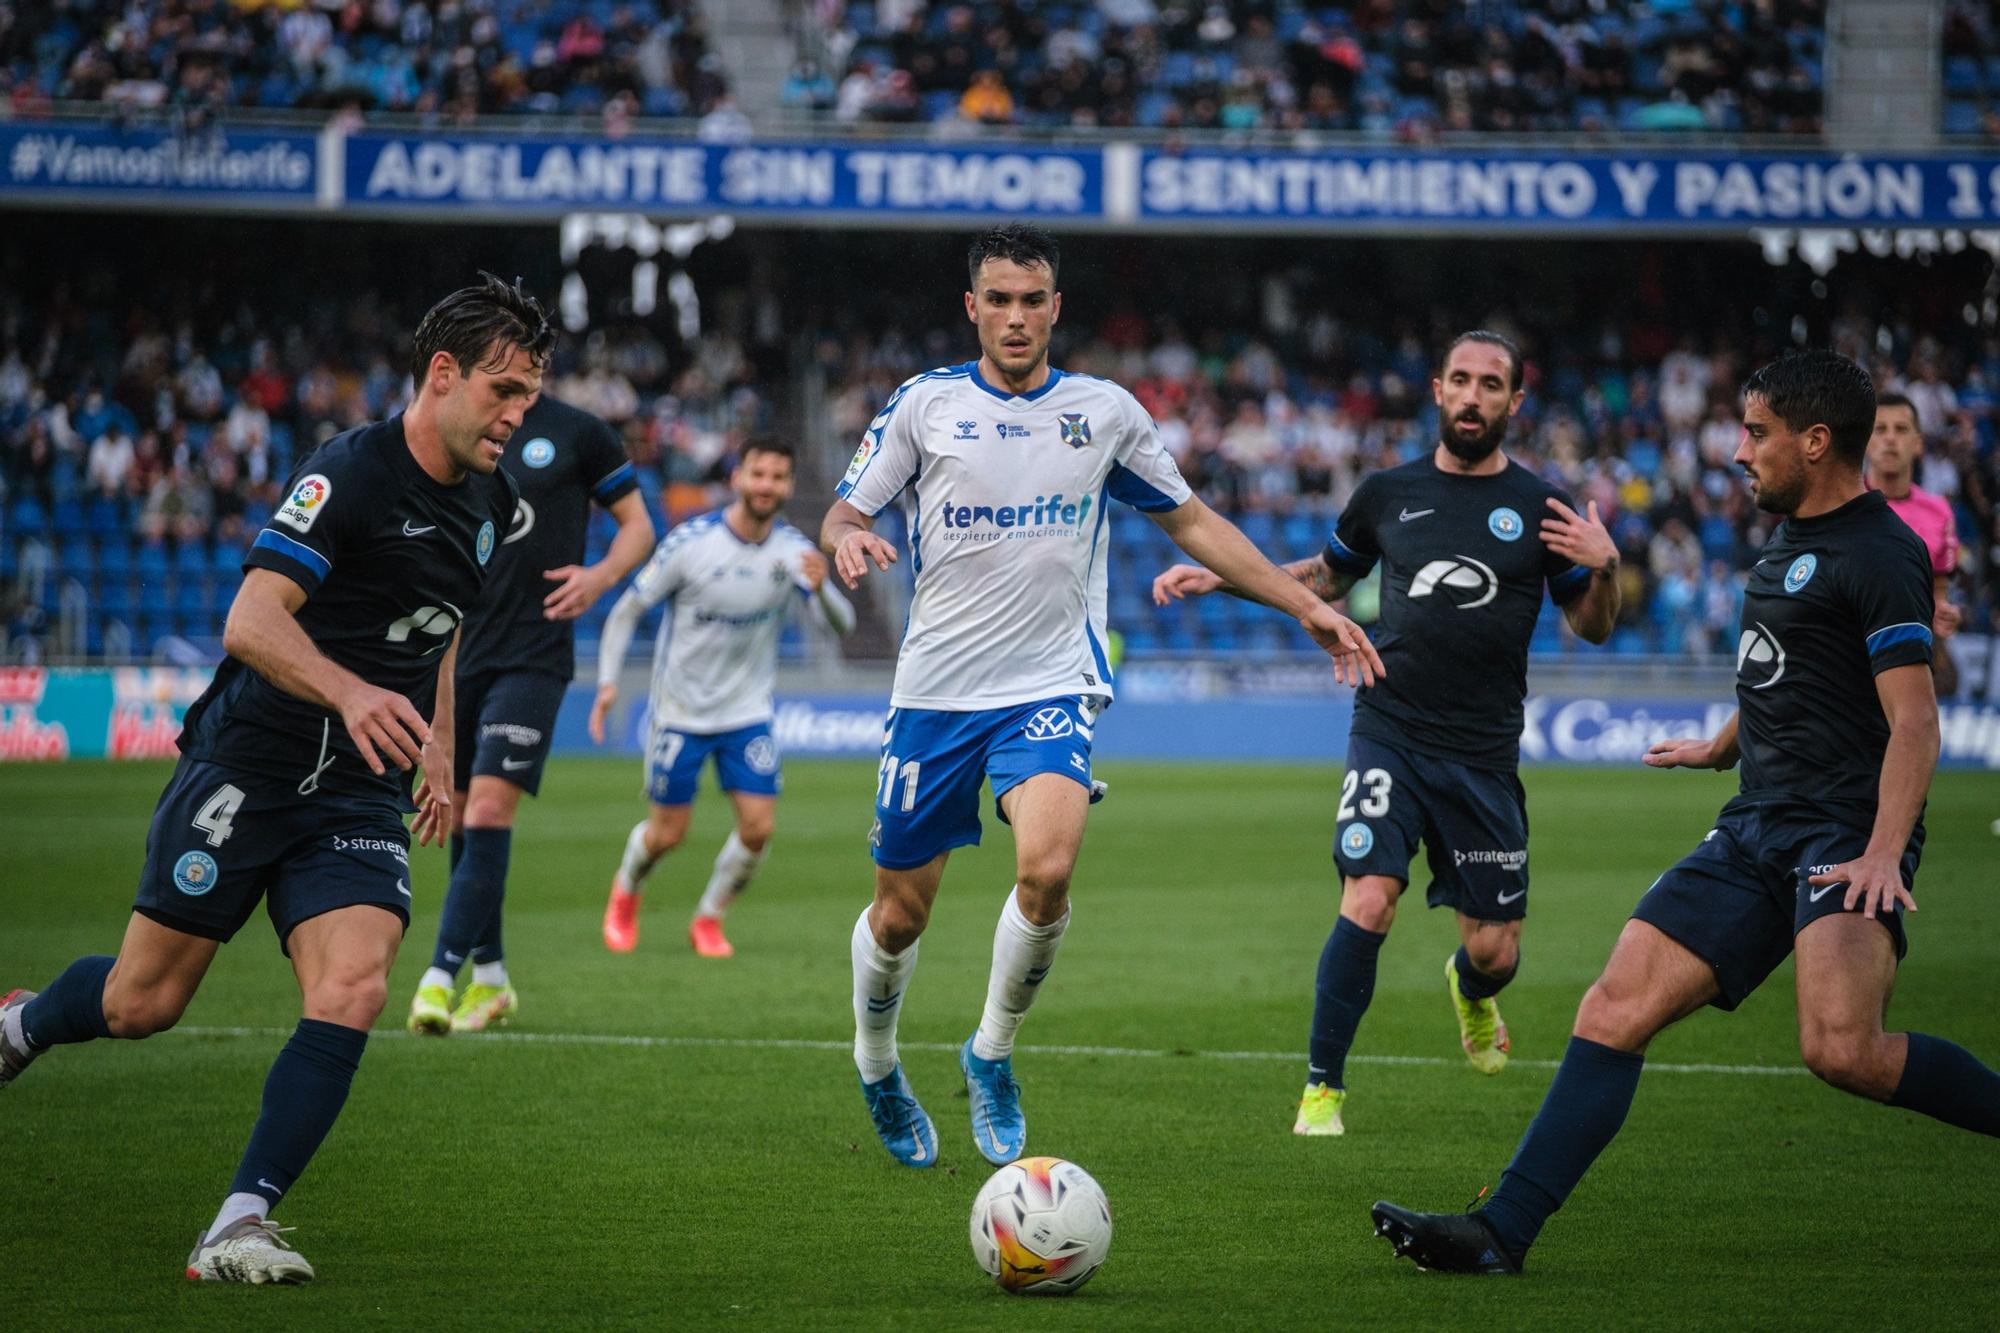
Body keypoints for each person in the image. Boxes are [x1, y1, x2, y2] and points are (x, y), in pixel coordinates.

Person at [1370, 349, 2000, 1276]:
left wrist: (1880, 850)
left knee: (1841, 1047)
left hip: (1842, 833)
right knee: (1615, 1002)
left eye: (1757, 433)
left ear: (1815, 441)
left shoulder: (1881, 552)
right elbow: (1793, 673)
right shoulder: (1786, 538)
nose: (1738, 452)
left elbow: (1914, 722)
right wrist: (1722, 743)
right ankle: (1499, 1231)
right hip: (1755, 824)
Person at [0, 273, 550, 1283]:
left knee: (354, 983)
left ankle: (238, 1224)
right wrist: (348, 693)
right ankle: (21, 1024)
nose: (520, 416)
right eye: (504, 390)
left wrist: (435, 736)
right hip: (247, 765)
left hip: (354, 789)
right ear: (441, 375)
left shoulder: (493, 505)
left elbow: (441, 624)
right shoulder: (348, 474)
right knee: (140, 1002)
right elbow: (249, 620)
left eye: (529, 396)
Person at [821, 222, 1383, 1170]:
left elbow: (1196, 523)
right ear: (971, 307)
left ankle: (990, 1051)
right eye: (996, 299)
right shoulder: (925, 407)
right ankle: (876, 1059)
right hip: (936, 693)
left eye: (1031, 300)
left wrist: (1303, 608)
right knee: (900, 915)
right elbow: (848, 505)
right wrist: (843, 537)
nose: (1014, 316)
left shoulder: (1105, 413)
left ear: (1055, 308)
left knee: (1046, 870)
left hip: (1051, 683)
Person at [1153, 331, 1620, 1138]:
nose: (1474, 396)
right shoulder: (1387, 494)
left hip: (1483, 754)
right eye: (1461, 380)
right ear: (1437, 389)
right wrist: (1224, 573)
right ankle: (1322, 1088)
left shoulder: (1543, 508)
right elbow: (1327, 579)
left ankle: (1470, 990)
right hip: (1390, 728)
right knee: (1369, 898)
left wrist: (1606, 566)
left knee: (1496, 953)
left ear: (1515, 401)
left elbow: (1596, 625)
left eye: (1492, 384)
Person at [405, 393, 653, 1035]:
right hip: (459, 648)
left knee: (487, 807)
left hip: (535, 651)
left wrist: (599, 578)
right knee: (459, 811)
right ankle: (491, 980)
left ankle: (437, 978)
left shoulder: (578, 432)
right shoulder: (464, 427)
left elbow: (639, 527)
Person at [592, 439, 854, 957]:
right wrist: (607, 682)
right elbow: (625, 611)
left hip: (747, 713)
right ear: (737, 478)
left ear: (789, 486)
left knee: (758, 829)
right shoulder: (691, 543)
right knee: (668, 835)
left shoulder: (792, 552)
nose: (766, 485)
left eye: (778, 477)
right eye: (758, 474)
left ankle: (708, 919)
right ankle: (626, 890)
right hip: (680, 713)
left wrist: (823, 589)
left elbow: (840, 627)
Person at [1868, 390, 1961, 697]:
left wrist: (1945, 614)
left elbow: (1939, 594)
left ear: (1918, 443)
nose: (1890, 439)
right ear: (1866, 442)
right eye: (1880, 430)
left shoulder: (1939, 512)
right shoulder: (1841, 506)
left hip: (1909, 667)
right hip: (1851, 666)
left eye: (1901, 429)